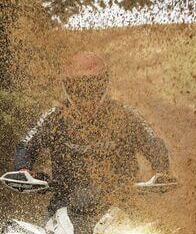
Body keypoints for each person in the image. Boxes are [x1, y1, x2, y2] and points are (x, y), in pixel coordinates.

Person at [10, 51, 171, 209]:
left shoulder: (125, 116)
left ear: (104, 85)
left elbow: (153, 143)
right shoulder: (54, 118)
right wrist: (23, 170)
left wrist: (161, 170)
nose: (86, 95)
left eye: (93, 87)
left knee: (154, 233)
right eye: (78, 88)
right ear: (68, 88)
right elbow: (26, 145)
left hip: (122, 207)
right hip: (64, 206)